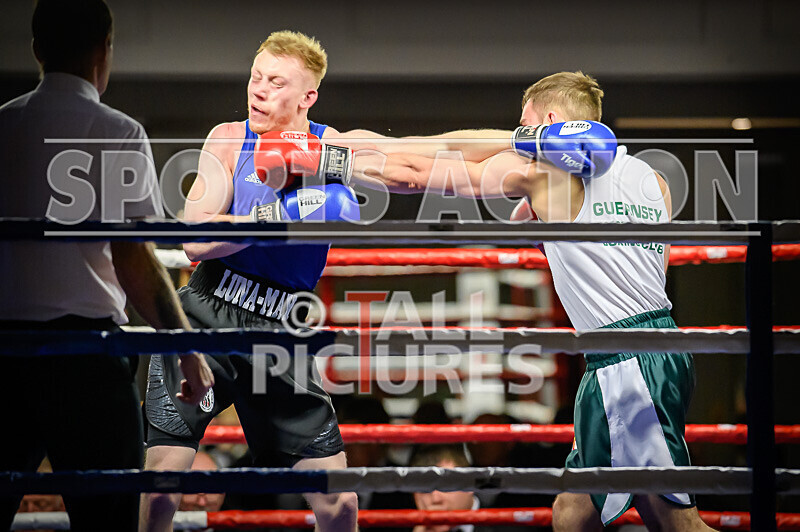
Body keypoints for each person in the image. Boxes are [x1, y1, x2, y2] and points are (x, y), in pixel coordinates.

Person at [355, 72, 713, 531]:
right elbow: (644, 271)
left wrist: (344, 159)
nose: (518, 140)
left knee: (679, 525)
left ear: (548, 122)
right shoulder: (652, 179)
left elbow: (424, 172)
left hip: (628, 365)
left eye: (524, 127)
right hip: (649, 351)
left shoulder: (547, 175)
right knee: (571, 513)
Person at [139, 30, 415, 532]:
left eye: (276, 82)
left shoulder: (330, 148)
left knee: (340, 503)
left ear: (308, 95)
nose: (258, 89)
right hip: (208, 313)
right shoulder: (229, 138)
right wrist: (279, 215)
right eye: (255, 76)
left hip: (281, 332)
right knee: (163, 480)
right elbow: (194, 241)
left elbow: (401, 174)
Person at [0, 1, 214, 530]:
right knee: (111, 520)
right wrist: (187, 351)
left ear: (36, 51)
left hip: (5, 357)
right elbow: (133, 258)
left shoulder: (3, 125)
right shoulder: (116, 130)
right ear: (104, 51)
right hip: (85, 360)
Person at [409, 445, 477, 532]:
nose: (435, 499)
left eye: (445, 486)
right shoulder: (396, 524)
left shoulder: (498, 520)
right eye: (425, 489)